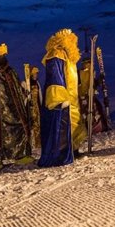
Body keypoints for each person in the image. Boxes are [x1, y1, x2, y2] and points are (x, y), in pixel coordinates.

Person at [38, 29, 84, 167]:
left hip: (72, 98)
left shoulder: (69, 56)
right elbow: (55, 77)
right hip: (63, 98)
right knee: (63, 126)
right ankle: (61, 154)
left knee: (75, 124)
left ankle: (74, 149)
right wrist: (58, 98)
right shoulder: (57, 54)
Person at [78, 58, 109, 137]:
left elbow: (93, 83)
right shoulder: (81, 73)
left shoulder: (89, 72)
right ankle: (91, 128)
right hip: (84, 97)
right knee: (88, 112)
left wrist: (99, 80)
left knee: (96, 109)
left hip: (89, 96)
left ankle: (98, 127)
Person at [22, 66, 42, 150]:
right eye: (34, 73)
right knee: (31, 125)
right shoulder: (25, 84)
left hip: (36, 107)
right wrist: (26, 97)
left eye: (36, 73)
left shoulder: (37, 83)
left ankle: (38, 142)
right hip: (30, 108)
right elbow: (23, 96)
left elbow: (39, 96)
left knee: (38, 124)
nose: (36, 75)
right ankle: (31, 143)